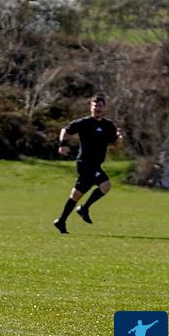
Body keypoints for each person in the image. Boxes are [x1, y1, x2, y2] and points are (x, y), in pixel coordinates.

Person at [53, 95, 123, 234]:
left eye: (100, 106)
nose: (98, 108)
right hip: (85, 163)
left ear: (104, 108)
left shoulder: (108, 125)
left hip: (96, 164)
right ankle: (84, 208)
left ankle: (61, 221)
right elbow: (65, 131)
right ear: (91, 107)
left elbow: (114, 142)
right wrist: (63, 144)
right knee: (105, 185)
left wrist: (119, 138)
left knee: (76, 195)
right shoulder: (84, 122)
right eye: (95, 106)